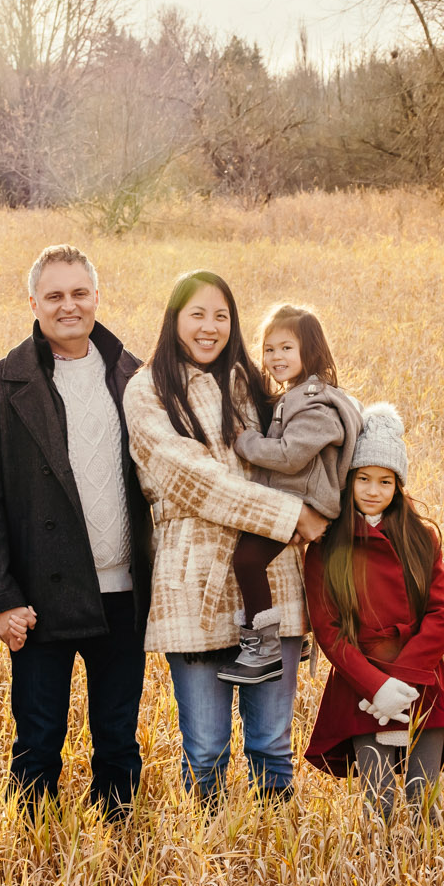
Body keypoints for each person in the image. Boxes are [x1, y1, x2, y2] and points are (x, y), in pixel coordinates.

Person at [123, 271, 330, 807]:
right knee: (207, 750)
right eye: (197, 314)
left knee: (271, 744)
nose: (210, 327)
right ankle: (212, 866)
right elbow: (188, 478)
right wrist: (291, 516)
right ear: (174, 320)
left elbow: (319, 427)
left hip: (272, 577)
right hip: (192, 581)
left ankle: (274, 862)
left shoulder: (255, 383)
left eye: (222, 315)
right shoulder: (146, 390)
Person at [0, 244, 154, 820]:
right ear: (33, 303)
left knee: (118, 733)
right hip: (39, 599)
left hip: (124, 592)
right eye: (54, 296)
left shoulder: (136, 376)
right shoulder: (1, 385)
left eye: (78, 293)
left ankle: (118, 855)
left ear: (96, 297)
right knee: (38, 738)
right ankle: (36, 858)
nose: (68, 306)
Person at [301, 404, 444, 821]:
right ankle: (377, 883)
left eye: (385, 481)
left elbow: (443, 613)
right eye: (363, 478)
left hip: (423, 678)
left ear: (398, 484)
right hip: (361, 683)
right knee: (379, 801)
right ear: (349, 480)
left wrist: (401, 682)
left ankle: (429, 882)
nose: (373, 489)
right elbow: (327, 629)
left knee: (423, 797)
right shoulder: (324, 547)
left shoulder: (420, 538)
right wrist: (377, 687)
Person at [221, 303, 361, 685]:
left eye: (286, 348)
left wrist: (245, 442)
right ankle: (292, 639)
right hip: (295, 497)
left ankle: (264, 648)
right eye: (269, 349)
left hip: (305, 501)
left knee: (248, 561)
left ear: (310, 351)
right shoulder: (294, 395)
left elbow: (290, 455)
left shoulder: (315, 403)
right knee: (258, 561)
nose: (276, 357)